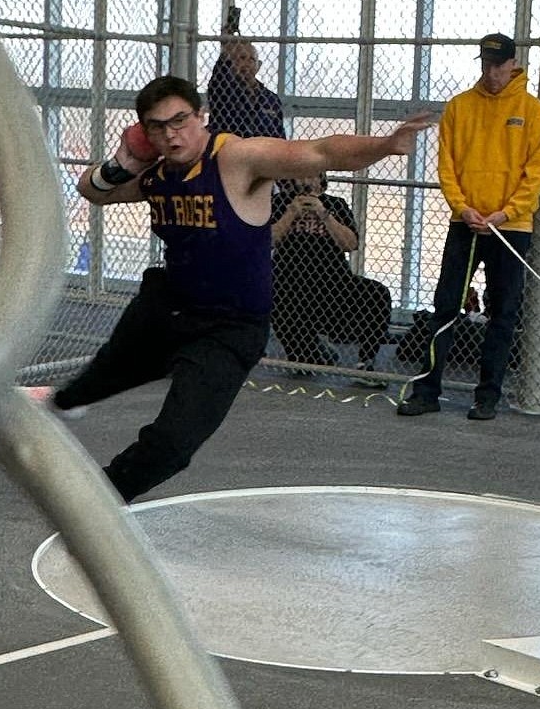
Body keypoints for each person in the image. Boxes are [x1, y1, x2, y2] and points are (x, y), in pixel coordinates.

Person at [50, 75, 430, 502]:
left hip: (229, 326)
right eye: (158, 127)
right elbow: (94, 192)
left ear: (201, 116)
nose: (172, 134)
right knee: (102, 373)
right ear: (146, 133)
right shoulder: (158, 173)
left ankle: (96, 497)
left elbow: (320, 151)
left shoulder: (237, 158)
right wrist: (123, 163)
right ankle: (61, 402)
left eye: (180, 120)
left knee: (175, 442)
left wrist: (385, 145)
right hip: (168, 306)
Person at [397, 32, 540, 420]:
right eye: (485, 64)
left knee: (502, 312)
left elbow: (537, 172)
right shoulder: (459, 107)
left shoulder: (533, 112)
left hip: (510, 228)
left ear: (513, 65)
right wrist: (463, 208)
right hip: (465, 224)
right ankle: (427, 391)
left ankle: (488, 396)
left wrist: (507, 212)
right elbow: (446, 164)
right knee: (446, 306)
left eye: (498, 65)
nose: (492, 72)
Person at [270, 173, 391, 388]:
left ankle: (365, 363)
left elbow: (350, 244)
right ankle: (312, 351)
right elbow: (267, 240)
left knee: (378, 293)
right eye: (302, 175)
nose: (306, 181)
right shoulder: (280, 203)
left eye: (313, 175)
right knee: (304, 365)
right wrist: (291, 213)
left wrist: (323, 214)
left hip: (333, 283)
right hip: (290, 285)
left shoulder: (336, 204)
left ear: (321, 181)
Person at [207, 34, 285, 139]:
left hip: (263, 151)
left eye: (252, 59)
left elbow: (279, 135)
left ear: (259, 65)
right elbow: (219, 75)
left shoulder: (271, 99)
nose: (246, 63)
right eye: (242, 58)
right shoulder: (224, 91)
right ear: (231, 62)